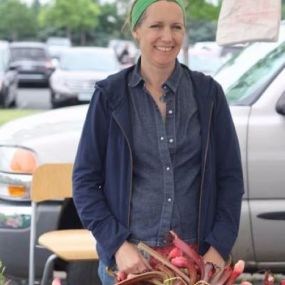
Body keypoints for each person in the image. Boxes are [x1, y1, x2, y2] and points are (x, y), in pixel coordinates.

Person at [72, 1, 244, 285]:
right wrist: (117, 245)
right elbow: (85, 182)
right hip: (131, 263)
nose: (168, 37)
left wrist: (217, 249)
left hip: (198, 266)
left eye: (176, 27)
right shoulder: (109, 96)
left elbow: (230, 179)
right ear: (137, 30)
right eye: (156, 26)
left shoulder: (208, 94)